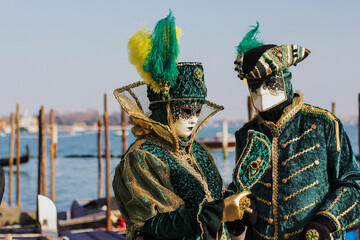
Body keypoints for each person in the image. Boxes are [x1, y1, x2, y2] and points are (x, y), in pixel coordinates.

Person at [112, 12, 254, 240]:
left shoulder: (198, 152)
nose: (193, 119)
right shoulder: (141, 157)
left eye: (198, 111)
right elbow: (154, 224)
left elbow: (213, 202)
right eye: (186, 111)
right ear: (163, 109)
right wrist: (216, 213)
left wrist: (237, 212)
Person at [231, 22, 360, 240]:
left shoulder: (324, 125)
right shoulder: (246, 135)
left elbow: (353, 185)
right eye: (254, 85)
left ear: (285, 80)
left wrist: (326, 222)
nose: (261, 91)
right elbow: (240, 186)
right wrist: (241, 209)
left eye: (269, 83)